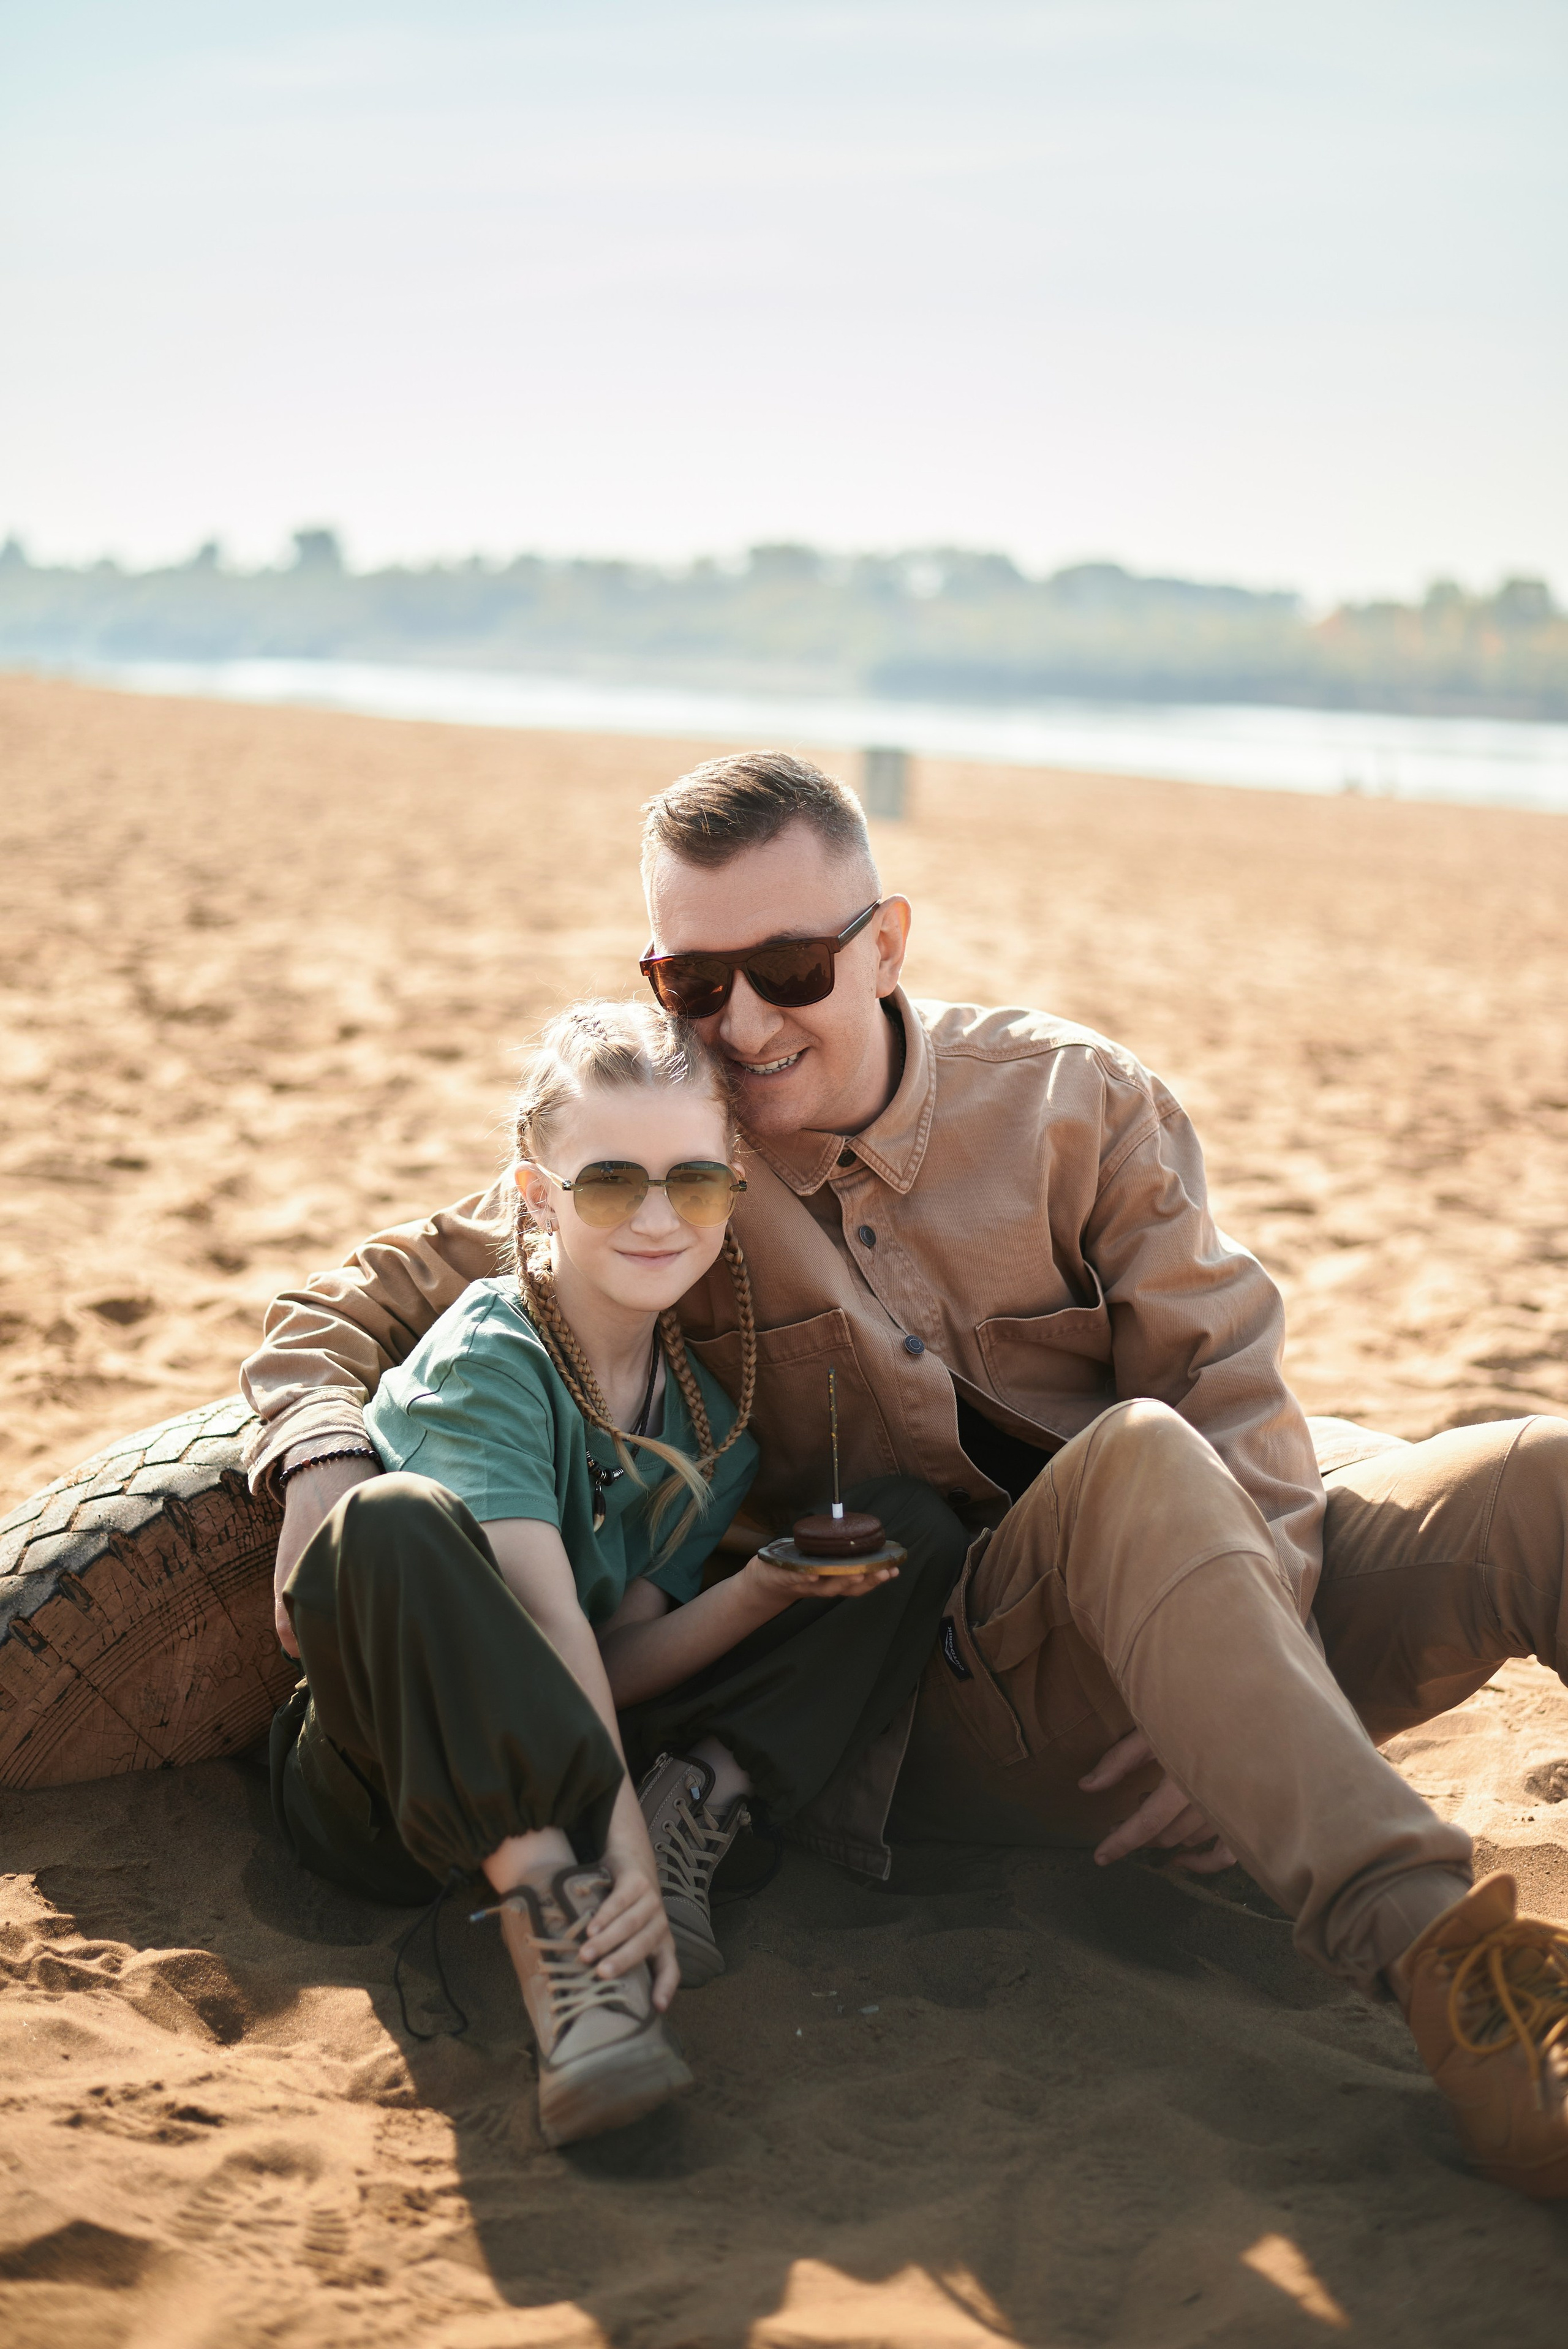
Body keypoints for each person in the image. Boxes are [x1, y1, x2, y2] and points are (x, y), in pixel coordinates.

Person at [246, 753, 1568, 2201]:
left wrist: (1245, 1684)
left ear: (883, 945)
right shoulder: (676, 1168)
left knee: (1541, 1475)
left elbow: (1232, 1377)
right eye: (694, 982)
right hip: (960, 1671)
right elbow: (351, 1299)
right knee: (1137, 1459)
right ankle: (1443, 1962)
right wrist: (317, 1460)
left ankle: (1282, 1753)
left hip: (1211, 1599)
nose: (743, 1022)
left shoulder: (1072, 1100)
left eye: (792, 965)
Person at [268, 997, 962, 2147]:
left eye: (692, 1182)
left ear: (732, 1192)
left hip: (579, 1748)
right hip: (391, 1788)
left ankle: (695, 1801)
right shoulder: (495, 1352)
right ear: (539, 1196)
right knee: (393, 1523)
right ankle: (571, 1937)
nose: (656, 1218)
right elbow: (542, 1624)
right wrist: (613, 1859)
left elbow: (610, 1662)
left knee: (904, 1534)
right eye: (608, 1184)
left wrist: (762, 1591)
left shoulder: (710, 1420)